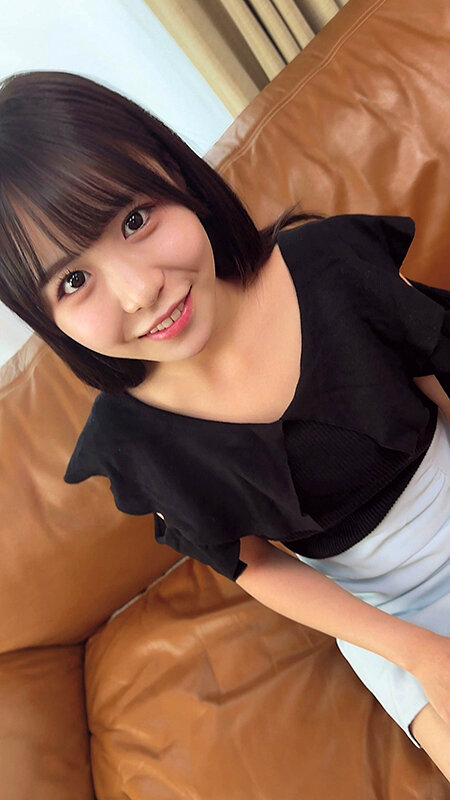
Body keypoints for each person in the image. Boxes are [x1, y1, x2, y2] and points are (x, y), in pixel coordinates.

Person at [0, 70, 449, 779]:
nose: (139, 291)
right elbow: (256, 563)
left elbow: (442, 383)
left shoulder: (332, 264)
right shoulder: (134, 446)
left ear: (177, 174)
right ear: (45, 318)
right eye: (73, 281)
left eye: (134, 220)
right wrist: (418, 653)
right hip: (384, 620)